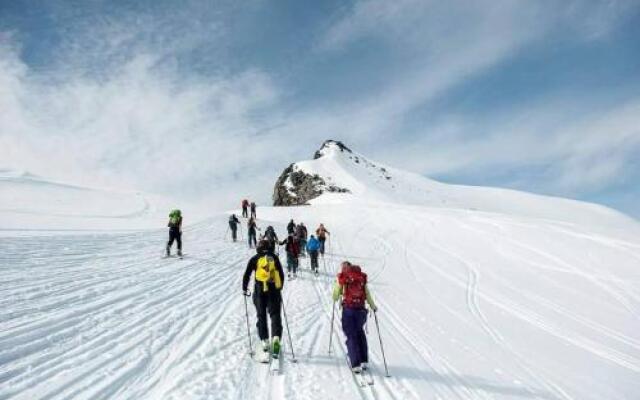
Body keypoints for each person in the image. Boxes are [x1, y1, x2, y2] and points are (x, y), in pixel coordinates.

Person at [242, 239, 285, 359]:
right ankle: (276, 338)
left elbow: (247, 274)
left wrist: (244, 288)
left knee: (261, 315)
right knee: (275, 314)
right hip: (274, 291)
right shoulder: (274, 258)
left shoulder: (255, 258)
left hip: (260, 290)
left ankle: (264, 340)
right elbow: (281, 274)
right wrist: (279, 287)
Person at [332, 261, 377, 373]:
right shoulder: (360, 277)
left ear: (344, 268)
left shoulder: (343, 277)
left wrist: (336, 294)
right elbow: (367, 294)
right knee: (360, 333)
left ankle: (355, 363)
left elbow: (335, 296)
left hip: (349, 310)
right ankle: (364, 360)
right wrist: (373, 306)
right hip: (361, 311)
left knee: (351, 335)